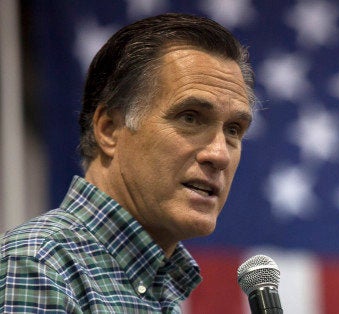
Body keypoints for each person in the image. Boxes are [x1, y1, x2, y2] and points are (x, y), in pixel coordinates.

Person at [0, 13, 255, 312]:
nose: (220, 154)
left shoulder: (156, 289)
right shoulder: (38, 266)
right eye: (190, 117)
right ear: (109, 130)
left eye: (233, 130)